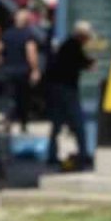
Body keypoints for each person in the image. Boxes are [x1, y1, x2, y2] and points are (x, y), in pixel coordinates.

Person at [45, 21, 94, 168]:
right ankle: (83, 154)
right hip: (67, 89)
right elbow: (81, 63)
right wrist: (89, 63)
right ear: (82, 36)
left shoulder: (67, 45)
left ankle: (52, 154)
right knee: (79, 123)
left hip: (57, 88)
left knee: (57, 124)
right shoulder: (73, 46)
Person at [0, 9, 41, 133]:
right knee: (23, 98)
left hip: (8, 70)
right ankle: (23, 123)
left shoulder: (7, 34)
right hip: (23, 71)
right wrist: (35, 69)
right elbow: (31, 53)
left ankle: (8, 119)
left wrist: (1, 59)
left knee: (10, 97)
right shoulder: (28, 35)